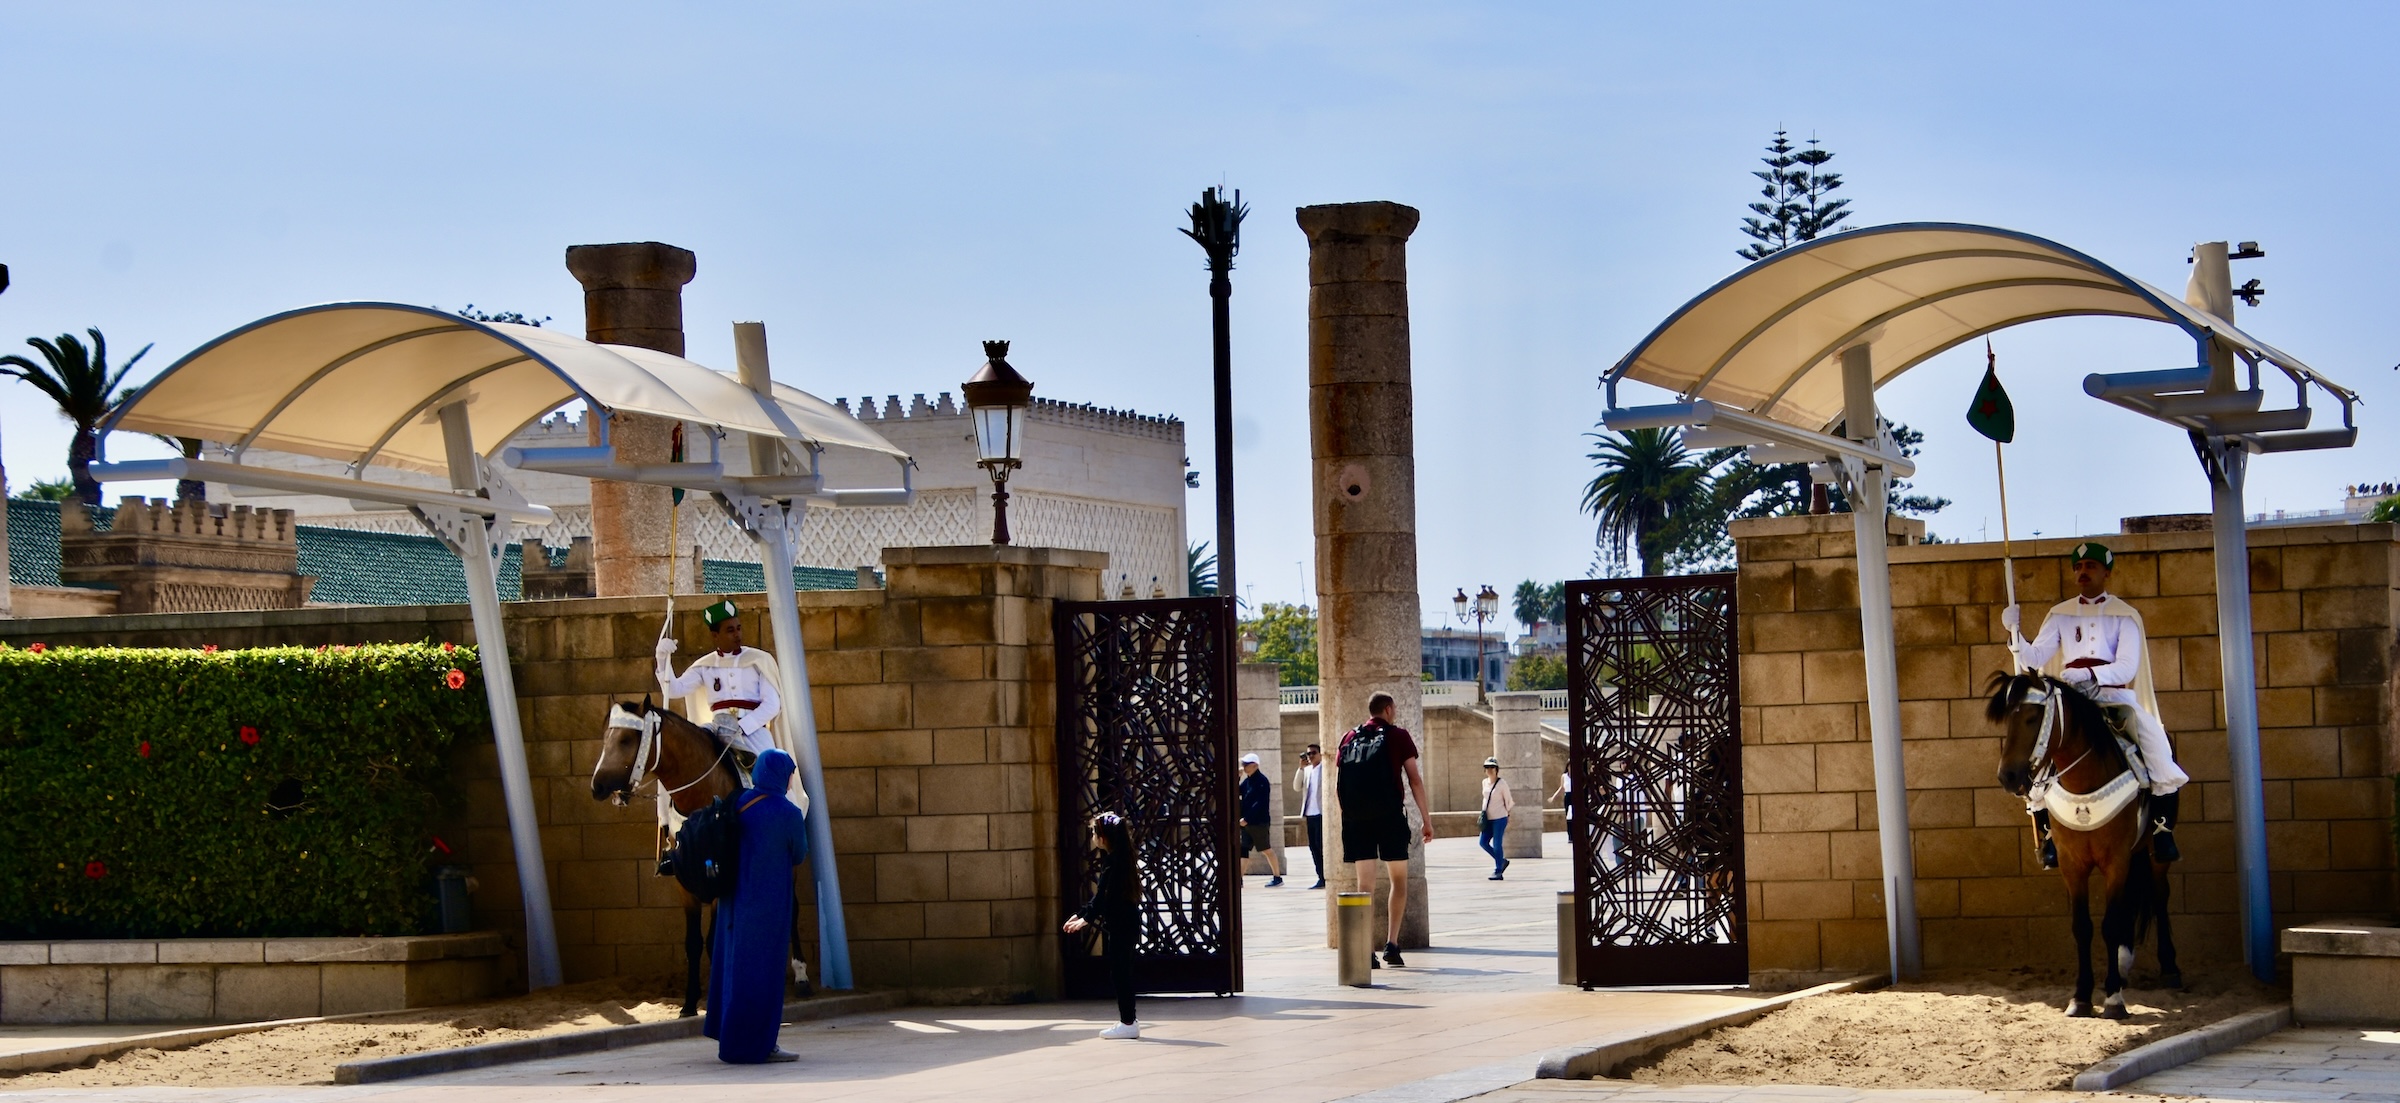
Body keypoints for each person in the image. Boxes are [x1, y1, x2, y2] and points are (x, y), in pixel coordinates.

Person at [2005, 541, 2190, 866]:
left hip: (2112, 697)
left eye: (2090, 566)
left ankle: (2162, 829)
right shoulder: (2060, 614)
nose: (2083, 572)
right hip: (2071, 701)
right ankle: (2047, 835)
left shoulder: (2125, 616)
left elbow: (2127, 667)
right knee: (2041, 745)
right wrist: (2015, 634)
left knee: (2154, 737)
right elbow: (2033, 659)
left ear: (2106, 572)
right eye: (2078, 567)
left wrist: (2088, 673)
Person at [701, 749, 810, 1064]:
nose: (792, 779)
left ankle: (730, 1037)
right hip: (767, 906)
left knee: (732, 971)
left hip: (732, 905)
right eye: (791, 772)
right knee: (763, 975)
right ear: (781, 775)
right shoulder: (787, 812)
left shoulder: (738, 802)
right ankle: (757, 1045)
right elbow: (799, 853)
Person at [1335, 691, 1434, 968]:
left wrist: (1351, 818)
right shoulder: (1397, 735)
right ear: (1388, 709)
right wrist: (1426, 820)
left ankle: (1366, 951)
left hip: (1357, 820)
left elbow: (1338, 786)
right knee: (1398, 880)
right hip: (1389, 816)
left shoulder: (1349, 737)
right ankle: (1392, 944)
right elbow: (1414, 780)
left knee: (1363, 886)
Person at [1062, 812, 1143, 1039]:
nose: (1092, 837)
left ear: (1104, 837)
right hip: (1123, 923)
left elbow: (1105, 898)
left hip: (1123, 925)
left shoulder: (1115, 863)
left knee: (1121, 973)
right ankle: (1129, 1020)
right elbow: (1099, 899)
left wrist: (1085, 919)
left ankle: (1128, 1022)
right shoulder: (1117, 859)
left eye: (1094, 832)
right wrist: (1081, 914)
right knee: (1120, 972)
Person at [1237, 753, 1284, 887]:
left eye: (1246, 765)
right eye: (1243, 764)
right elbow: (1237, 792)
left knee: (1266, 849)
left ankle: (1277, 876)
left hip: (1258, 823)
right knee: (1244, 850)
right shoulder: (1247, 781)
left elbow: (1260, 803)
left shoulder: (1262, 781)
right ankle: (1239, 879)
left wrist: (1247, 818)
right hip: (1246, 823)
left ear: (1255, 765)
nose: (1244, 767)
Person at [1290, 744, 1326, 889]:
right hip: (1309, 814)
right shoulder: (1307, 770)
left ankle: (1326, 876)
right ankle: (1320, 876)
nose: (1310, 756)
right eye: (1308, 754)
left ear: (1320, 754)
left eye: (1313, 753)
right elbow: (1296, 787)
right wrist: (1300, 768)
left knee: (1321, 845)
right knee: (1313, 847)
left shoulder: (1325, 768)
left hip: (1322, 813)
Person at [1478, 756, 1515, 880]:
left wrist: (1508, 814)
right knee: (1483, 842)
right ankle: (1501, 861)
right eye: (1487, 767)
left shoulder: (1502, 784)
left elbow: (1508, 801)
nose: (1489, 770)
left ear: (1496, 769)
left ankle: (1498, 870)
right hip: (1488, 818)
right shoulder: (1484, 782)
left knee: (1497, 844)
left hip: (1500, 818)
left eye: (1492, 767)